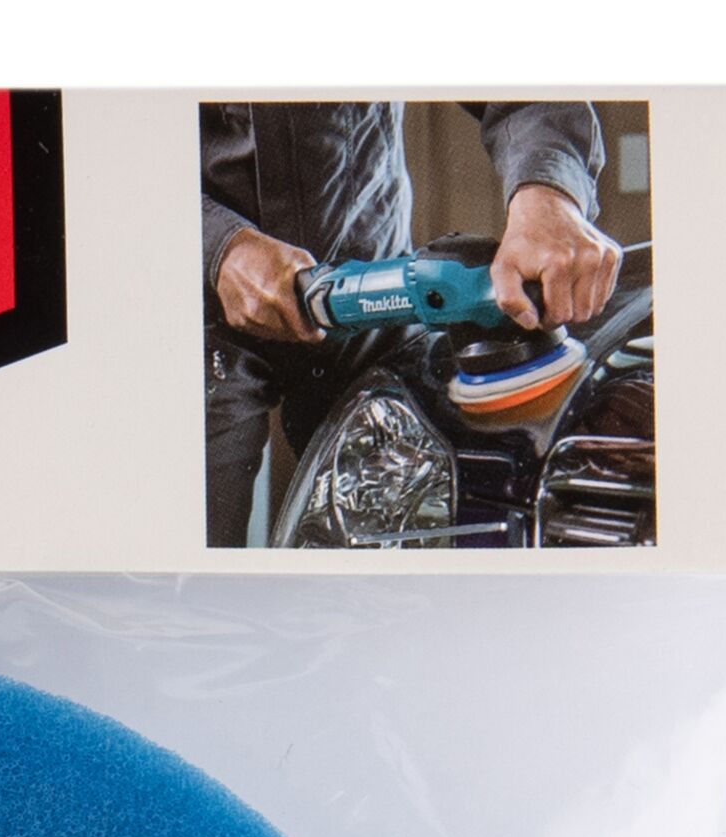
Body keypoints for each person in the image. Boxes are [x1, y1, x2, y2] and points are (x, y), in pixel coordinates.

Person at [202, 103, 621, 545]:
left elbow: (525, 91)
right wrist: (218, 248)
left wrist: (550, 191)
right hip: (195, 308)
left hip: (373, 303)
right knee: (190, 553)